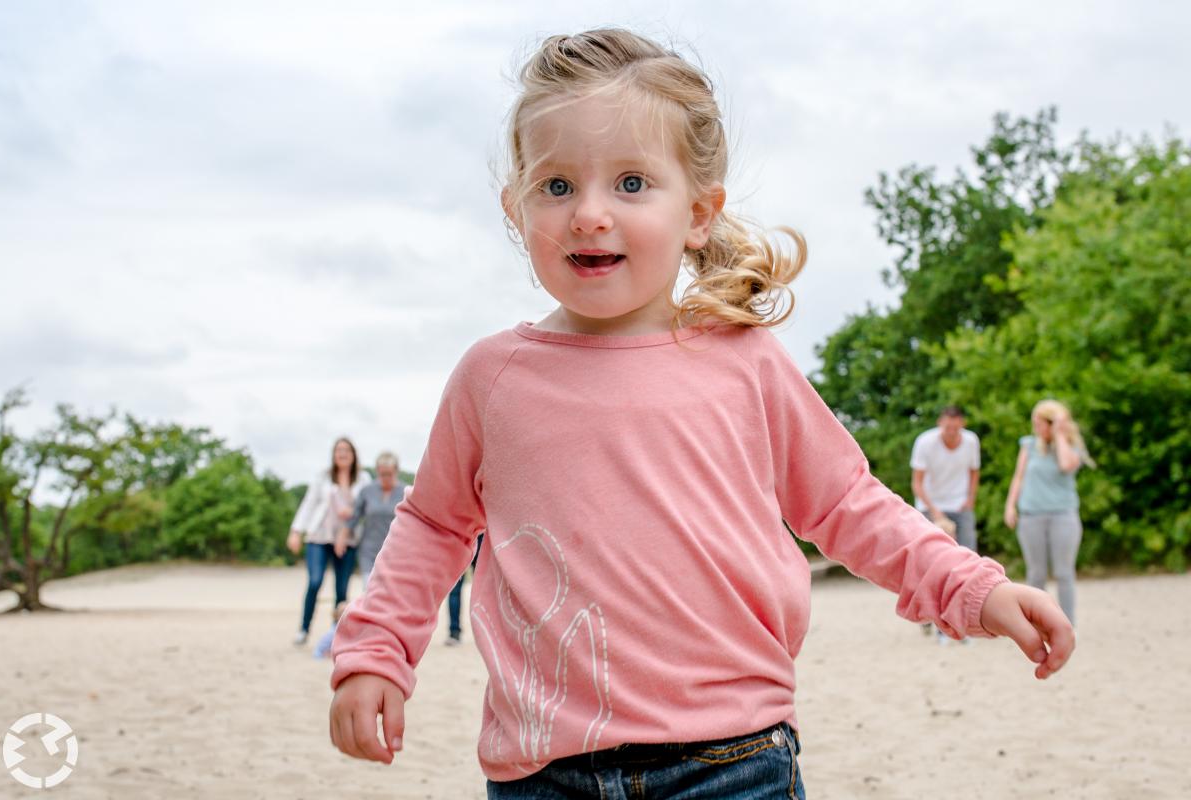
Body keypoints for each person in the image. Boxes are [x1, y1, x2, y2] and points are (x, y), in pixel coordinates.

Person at [328, 29, 1074, 799]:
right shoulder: (493, 377)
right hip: (542, 770)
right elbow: (434, 524)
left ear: (699, 214)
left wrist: (968, 588)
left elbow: (849, 502)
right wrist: (378, 648)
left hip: (733, 759)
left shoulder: (742, 363)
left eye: (630, 183)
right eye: (555, 187)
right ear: (515, 208)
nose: (588, 214)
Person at [1004, 399, 1094, 626]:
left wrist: (1059, 435)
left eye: (1040, 423)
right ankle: (1038, 622)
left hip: (1062, 515)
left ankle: (1067, 624)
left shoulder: (1072, 448)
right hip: (1031, 516)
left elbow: (1066, 465)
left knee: (1064, 572)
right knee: (1036, 573)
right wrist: (1010, 505)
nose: (1035, 427)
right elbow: (1019, 476)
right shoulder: (1029, 445)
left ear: (1052, 423)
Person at [287, 437, 369, 645]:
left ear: (353, 455)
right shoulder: (322, 477)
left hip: (348, 540)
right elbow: (309, 504)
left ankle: (336, 633)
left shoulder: (363, 479)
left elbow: (367, 507)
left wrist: (352, 512)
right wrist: (296, 531)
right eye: (338, 450)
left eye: (346, 450)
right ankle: (304, 629)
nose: (342, 454)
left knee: (342, 589)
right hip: (319, 537)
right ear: (333, 455)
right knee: (315, 582)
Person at [910, 406, 981, 552]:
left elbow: (974, 471)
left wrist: (970, 499)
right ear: (940, 423)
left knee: (968, 551)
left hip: (960, 503)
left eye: (955, 427)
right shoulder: (925, 442)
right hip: (930, 504)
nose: (951, 431)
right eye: (948, 427)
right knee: (931, 552)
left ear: (963, 424)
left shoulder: (971, 441)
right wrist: (933, 510)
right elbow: (917, 483)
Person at [347, 451, 406, 588]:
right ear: (377, 472)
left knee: (391, 592)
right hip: (369, 550)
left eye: (389, 474)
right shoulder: (367, 491)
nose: (385, 478)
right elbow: (354, 517)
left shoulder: (406, 492)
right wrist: (342, 537)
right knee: (369, 589)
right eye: (382, 474)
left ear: (396, 471)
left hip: (396, 552)